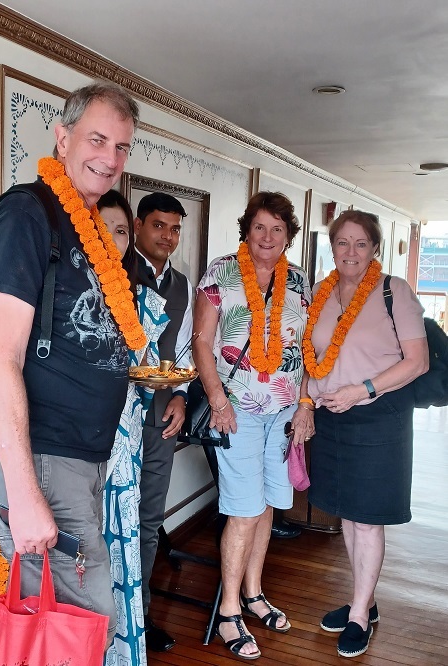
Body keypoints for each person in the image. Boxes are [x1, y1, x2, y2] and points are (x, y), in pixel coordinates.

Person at [0, 81, 143, 650]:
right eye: (98, 139)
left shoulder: (89, 226)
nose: (111, 159)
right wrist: (23, 494)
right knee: (78, 626)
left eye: (122, 147)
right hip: (41, 458)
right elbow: (1, 358)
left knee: (68, 630)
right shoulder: (26, 214)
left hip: (76, 458)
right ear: (63, 138)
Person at [192, 191, 314, 660]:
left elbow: (308, 351)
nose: (267, 237)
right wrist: (218, 401)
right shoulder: (221, 272)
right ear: (247, 229)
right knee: (244, 509)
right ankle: (228, 611)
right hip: (237, 409)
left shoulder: (300, 282)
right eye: (259, 227)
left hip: (284, 412)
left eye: (277, 229)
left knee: (266, 506)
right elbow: (203, 341)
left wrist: (305, 405)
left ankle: (255, 593)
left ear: (288, 236)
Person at [303, 210, 428, 658]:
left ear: (374, 248)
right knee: (349, 515)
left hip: (378, 417)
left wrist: (364, 389)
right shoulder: (322, 292)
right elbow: (309, 355)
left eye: (360, 243)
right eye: (342, 243)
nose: (350, 252)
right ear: (331, 247)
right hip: (332, 417)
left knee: (367, 518)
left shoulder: (395, 291)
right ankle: (365, 600)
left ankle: (359, 616)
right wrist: (308, 402)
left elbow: (418, 361)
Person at [98, 189, 169, 666]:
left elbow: (148, 376)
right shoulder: (57, 291)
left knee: (120, 553)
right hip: (66, 449)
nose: (112, 237)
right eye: (100, 227)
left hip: (123, 445)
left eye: (121, 230)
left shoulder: (142, 302)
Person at [134, 192, 193, 652]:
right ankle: (101, 617)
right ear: (138, 226)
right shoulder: (111, 269)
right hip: (110, 419)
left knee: (148, 519)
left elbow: (185, 350)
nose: (167, 237)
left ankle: (142, 616)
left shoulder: (182, 285)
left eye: (174, 229)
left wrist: (179, 395)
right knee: (98, 517)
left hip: (159, 423)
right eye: (159, 226)